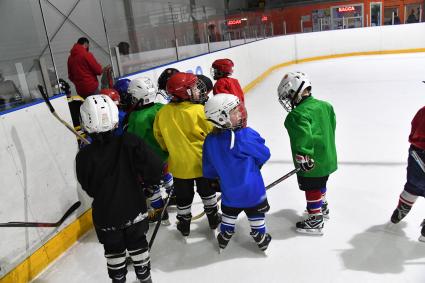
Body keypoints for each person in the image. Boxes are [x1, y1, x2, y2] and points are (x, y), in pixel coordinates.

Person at [76, 94, 163, 283]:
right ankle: (145, 278)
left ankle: (118, 279)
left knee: (113, 251)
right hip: (135, 210)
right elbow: (155, 167)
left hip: (106, 216)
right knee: (138, 244)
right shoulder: (130, 141)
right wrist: (149, 185)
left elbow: (88, 187)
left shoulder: (83, 156)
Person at [153, 72, 220, 238]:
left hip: (178, 166)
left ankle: (184, 223)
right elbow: (214, 133)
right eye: (193, 88)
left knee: (183, 196)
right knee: (207, 192)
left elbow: (159, 137)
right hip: (202, 163)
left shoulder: (163, 112)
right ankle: (213, 217)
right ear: (184, 92)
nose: (197, 90)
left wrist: (172, 149)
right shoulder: (199, 110)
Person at [203, 93, 272, 252]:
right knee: (256, 214)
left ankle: (225, 233)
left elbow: (209, 166)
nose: (240, 113)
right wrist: (257, 164)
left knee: (229, 213)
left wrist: (213, 179)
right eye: (234, 112)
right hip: (253, 190)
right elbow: (264, 154)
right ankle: (260, 237)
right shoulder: (246, 135)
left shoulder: (210, 139)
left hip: (229, 191)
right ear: (221, 118)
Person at [277, 71, 337, 235]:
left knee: (312, 187)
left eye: (288, 95)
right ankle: (322, 204)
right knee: (321, 183)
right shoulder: (326, 106)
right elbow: (331, 126)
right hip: (327, 157)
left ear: (294, 90)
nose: (288, 99)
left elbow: (302, 138)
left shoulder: (297, 115)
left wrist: (303, 156)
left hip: (311, 162)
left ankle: (315, 219)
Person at [126, 77, 173, 221]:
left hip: (149, 162)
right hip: (166, 157)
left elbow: (132, 141)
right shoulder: (160, 107)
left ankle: (159, 211)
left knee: (151, 186)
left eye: (132, 96)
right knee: (165, 175)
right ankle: (174, 193)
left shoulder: (137, 118)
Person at [390, 106, 425, 242]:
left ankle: (401, 210)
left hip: (417, 153)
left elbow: (414, 128)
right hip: (419, 151)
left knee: (413, 186)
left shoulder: (423, 110)